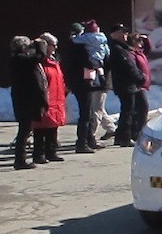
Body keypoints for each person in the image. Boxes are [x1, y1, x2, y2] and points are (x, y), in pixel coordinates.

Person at [8, 35, 46, 170]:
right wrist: (39, 45)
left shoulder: (17, 59)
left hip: (22, 98)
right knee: (24, 130)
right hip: (25, 99)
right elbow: (39, 58)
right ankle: (20, 160)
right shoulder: (21, 59)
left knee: (25, 129)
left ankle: (20, 159)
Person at [31, 33, 68, 164]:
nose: (55, 48)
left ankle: (51, 151)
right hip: (45, 98)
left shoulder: (54, 61)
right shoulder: (39, 62)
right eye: (53, 45)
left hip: (56, 98)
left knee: (53, 126)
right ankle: (38, 154)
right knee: (41, 127)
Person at [61, 22, 97, 153]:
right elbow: (88, 62)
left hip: (76, 81)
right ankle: (82, 142)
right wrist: (96, 62)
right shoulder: (78, 47)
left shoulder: (69, 46)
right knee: (86, 112)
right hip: (82, 82)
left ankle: (89, 139)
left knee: (88, 111)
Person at [108, 24, 145, 147]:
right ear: (114, 34)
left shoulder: (124, 48)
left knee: (128, 110)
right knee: (128, 111)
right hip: (125, 84)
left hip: (128, 83)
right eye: (122, 32)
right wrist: (140, 77)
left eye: (125, 32)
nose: (125, 35)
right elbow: (128, 66)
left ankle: (120, 137)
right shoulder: (117, 49)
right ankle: (125, 137)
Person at [126, 33, 151, 142]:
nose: (140, 42)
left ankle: (138, 131)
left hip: (143, 85)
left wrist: (145, 39)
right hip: (137, 85)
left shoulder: (140, 53)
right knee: (142, 108)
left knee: (141, 109)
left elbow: (148, 49)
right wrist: (140, 78)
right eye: (138, 40)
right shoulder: (131, 54)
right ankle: (137, 132)